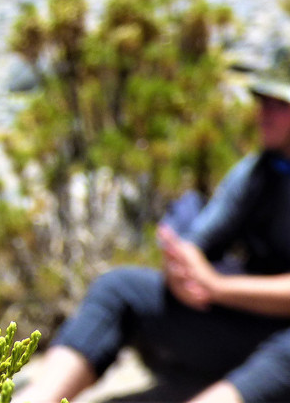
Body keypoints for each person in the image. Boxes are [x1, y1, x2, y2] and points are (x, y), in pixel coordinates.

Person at [21, 77, 290, 403]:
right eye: (263, 103)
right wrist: (181, 267)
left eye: (279, 106)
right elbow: (199, 239)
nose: (265, 114)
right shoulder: (259, 172)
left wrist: (217, 287)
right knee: (118, 288)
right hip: (245, 327)